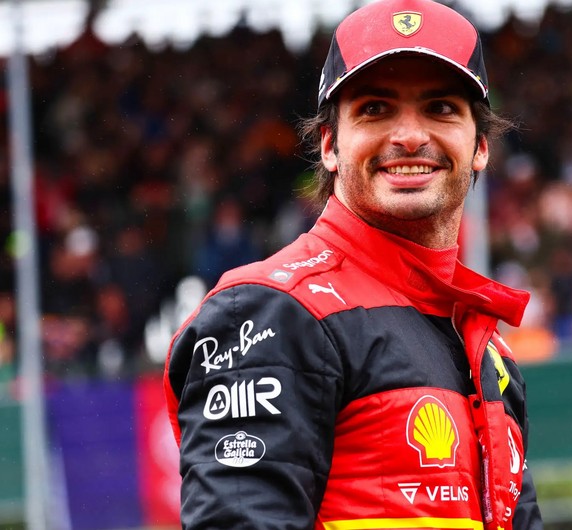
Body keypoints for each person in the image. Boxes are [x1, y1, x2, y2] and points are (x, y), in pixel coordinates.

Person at [163, 1, 544, 528]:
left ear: (480, 146)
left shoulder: (485, 343)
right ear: (329, 145)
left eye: (440, 108)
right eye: (375, 109)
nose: (410, 135)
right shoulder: (272, 312)